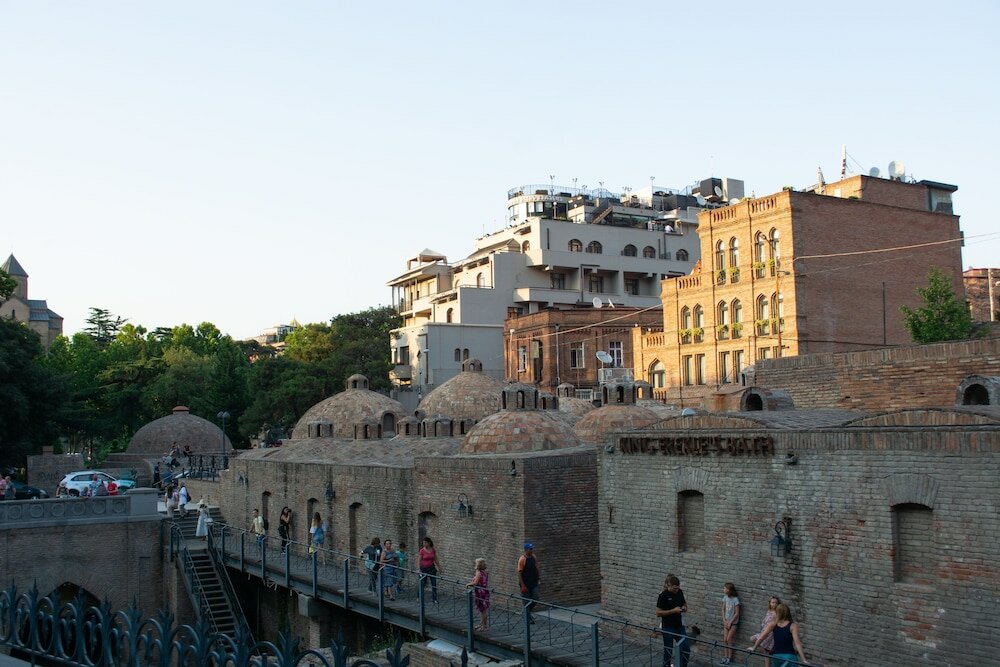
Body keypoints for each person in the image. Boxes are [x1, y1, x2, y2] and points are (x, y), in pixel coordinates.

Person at [656, 574, 689, 667]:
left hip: (679, 626)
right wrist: (673, 611)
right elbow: (658, 613)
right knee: (668, 651)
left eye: (677, 588)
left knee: (686, 648)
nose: (676, 590)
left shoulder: (680, 592)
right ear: (668, 586)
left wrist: (684, 608)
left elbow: (685, 605)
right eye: (674, 588)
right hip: (667, 627)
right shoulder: (663, 595)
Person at [751, 596, 781, 667]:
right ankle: (767, 651)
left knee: (753, 639)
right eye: (772, 602)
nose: (774, 604)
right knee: (765, 653)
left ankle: (767, 652)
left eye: (776, 603)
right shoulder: (769, 611)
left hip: (769, 633)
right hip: (763, 631)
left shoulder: (777, 613)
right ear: (770, 603)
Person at [517, 542, 540, 623]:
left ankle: (526, 613)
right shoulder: (522, 559)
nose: (532, 550)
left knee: (536, 598)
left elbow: (536, 568)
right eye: (530, 549)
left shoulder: (533, 557)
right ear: (526, 550)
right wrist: (523, 585)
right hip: (525, 584)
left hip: (533, 583)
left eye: (532, 548)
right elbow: (519, 573)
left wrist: (538, 579)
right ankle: (528, 618)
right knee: (526, 601)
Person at [720, 582, 741, 665]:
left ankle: (729, 658)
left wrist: (730, 622)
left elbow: (737, 613)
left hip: (733, 623)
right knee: (725, 640)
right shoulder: (725, 598)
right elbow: (723, 609)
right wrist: (724, 620)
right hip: (726, 622)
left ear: (729, 590)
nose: (724, 589)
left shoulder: (735, 599)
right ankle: (725, 656)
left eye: (725, 588)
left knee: (729, 639)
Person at [467, 558, 490, 631]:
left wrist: (468, 584)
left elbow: (475, 583)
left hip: (480, 592)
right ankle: (482, 624)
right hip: (485, 591)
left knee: (482, 610)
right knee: (483, 610)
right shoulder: (485, 572)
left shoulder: (479, 573)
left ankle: (483, 627)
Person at [419, 536, 442, 604]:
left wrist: (439, 567)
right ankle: (419, 597)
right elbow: (419, 560)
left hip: (431, 568)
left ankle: (434, 599)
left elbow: (436, 559)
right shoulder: (422, 551)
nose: (424, 544)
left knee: (434, 584)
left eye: (425, 542)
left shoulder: (433, 550)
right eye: (423, 543)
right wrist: (419, 569)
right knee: (422, 584)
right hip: (424, 569)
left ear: (429, 543)